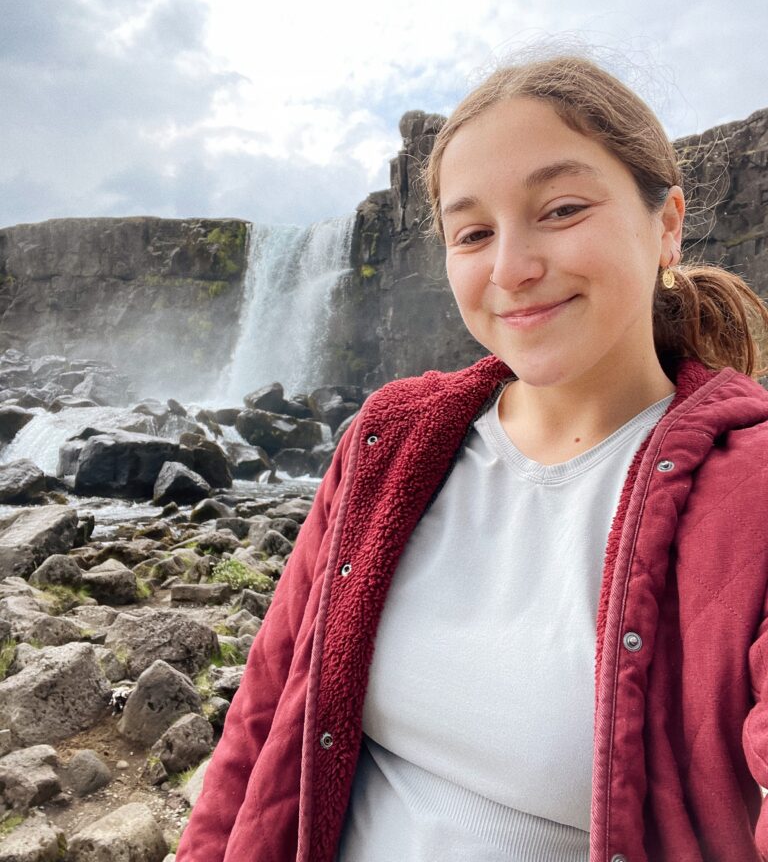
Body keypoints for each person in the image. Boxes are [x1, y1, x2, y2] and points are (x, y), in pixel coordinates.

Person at [175, 54, 768, 862]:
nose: (512, 269)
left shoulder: (752, 491)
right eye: (474, 233)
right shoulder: (390, 439)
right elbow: (264, 712)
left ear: (666, 224)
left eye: (560, 209)